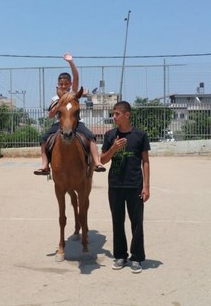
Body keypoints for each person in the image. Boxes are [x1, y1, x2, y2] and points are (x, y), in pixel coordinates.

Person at [33, 52, 105, 175]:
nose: (64, 86)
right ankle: (45, 165)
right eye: (61, 84)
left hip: (76, 123)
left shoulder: (73, 93)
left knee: (90, 137)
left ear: (70, 84)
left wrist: (71, 62)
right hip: (59, 124)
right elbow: (50, 115)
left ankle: (97, 162)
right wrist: (58, 104)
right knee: (44, 139)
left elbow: (76, 76)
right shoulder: (55, 98)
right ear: (58, 85)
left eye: (66, 84)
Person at [100, 101, 150, 274]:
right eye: (113, 114)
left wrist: (146, 186)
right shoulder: (109, 135)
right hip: (115, 185)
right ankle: (120, 255)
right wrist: (113, 148)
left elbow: (145, 161)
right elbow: (103, 160)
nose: (113, 117)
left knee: (137, 223)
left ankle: (136, 257)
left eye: (117, 114)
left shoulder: (140, 135)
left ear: (127, 115)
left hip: (134, 185)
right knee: (117, 222)